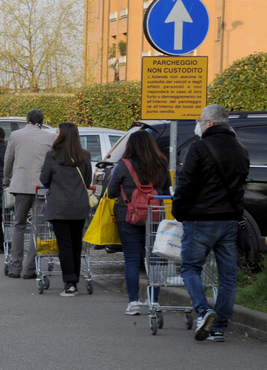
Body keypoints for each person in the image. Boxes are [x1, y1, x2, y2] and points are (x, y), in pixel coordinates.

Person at [173, 104, 250, 342]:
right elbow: (240, 186)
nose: (198, 124)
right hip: (229, 220)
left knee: (190, 268)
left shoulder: (199, 147)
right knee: (228, 276)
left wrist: (179, 211)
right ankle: (219, 328)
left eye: (200, 120)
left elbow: (186, 183)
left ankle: (204, 310)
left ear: (210, 123)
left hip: (200, 219)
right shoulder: (241, 148)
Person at [107, 130, 170, 315]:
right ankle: (155, 301)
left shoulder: (124, 165)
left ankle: (133, 302)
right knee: (155, 259)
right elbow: (166, 190)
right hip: (155, 217)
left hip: (128, 217)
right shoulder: (162, 164)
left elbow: (111, 191)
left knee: (132, 260)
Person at [39, 122, 92, 297]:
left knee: (65, 246)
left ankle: (70, 284)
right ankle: (74, 279)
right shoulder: (84, 155)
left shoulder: (52, 156)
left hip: (59, 206)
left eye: (56, 132)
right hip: (79, 205)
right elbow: (87, 178)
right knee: (76, 244)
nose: (54, 134)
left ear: (62, 135)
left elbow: (44, 179)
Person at [4, 109, 55, 279]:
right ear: (42, 122)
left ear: (26, 121)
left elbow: (8, 159)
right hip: (41, 187)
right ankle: (30, 268)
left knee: (18, 225)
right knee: (37, 227)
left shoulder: (16, 135)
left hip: (21, 184)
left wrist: (6, 177)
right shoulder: (50, 137)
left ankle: (15, 267)